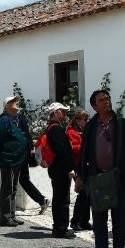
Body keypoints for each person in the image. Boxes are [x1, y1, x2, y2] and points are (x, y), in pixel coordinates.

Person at [78, 89, 125, 248]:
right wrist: (81, 175)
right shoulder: (91, 126)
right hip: (97, 179)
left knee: (119, 220)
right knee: (99, 221)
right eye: (101, 100)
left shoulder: (122, 124)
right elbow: (84, 151)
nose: (106, 101)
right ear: (94, 106)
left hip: (119, 178)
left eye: (107, 98)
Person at [0, 96, 27, 226]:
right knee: (7, 189)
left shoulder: (14, 119)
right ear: (7, 106)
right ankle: (5, 217)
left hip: (16, 159)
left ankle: (12, 215)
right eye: (13, 101)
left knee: (13, 188)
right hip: (8, 159)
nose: (16, 103)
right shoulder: (3, 120)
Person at [43, 102, 76, 238]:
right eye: (62, 111)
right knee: (62, 199)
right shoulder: (56, 129)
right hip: (60, 169)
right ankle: (61, 228)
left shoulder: (52, 128)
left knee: (59, 198)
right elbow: (62, 151)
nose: (65, 113)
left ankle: (59, 227)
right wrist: (70, 168)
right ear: (55, 113)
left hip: (56, 168)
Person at [15, 104, 50, 215]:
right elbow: (27, 134)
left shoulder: (16, 118)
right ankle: (41, 200)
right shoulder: (19, 117)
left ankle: (41, 200)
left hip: (18, 154)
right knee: (23, 180)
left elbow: (25, 134)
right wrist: (30, 148)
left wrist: (30, 149)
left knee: (18, 180)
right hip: (22, 153)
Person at [68, 110, 93, 231]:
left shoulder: (86, 131)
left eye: (88, 119)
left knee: (88, 195)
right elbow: (72, 148)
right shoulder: (71, 132)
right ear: (78, 120)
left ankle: (84, 221)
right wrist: (85, 145)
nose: (87, 121)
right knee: (83, 193)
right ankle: (75, 221)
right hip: (78, 165)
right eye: (85, 119)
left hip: (87, 165)